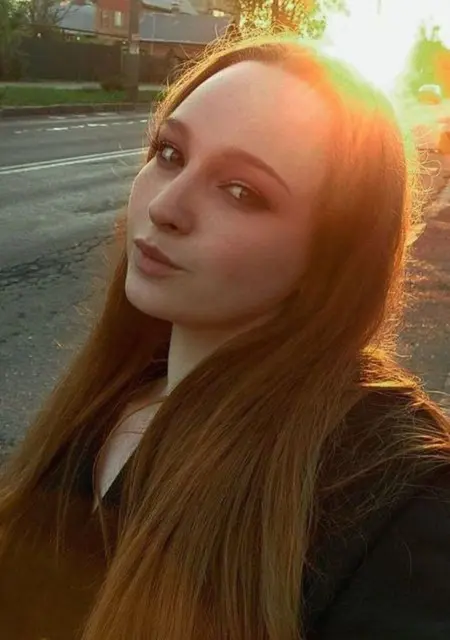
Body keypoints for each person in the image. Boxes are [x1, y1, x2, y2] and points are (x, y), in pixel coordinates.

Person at [0, 32, 450, 640]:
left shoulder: (393, 498)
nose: (166, 206)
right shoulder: (106, 401)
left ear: (332, 254)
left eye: (242, 192)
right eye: (169, 154)